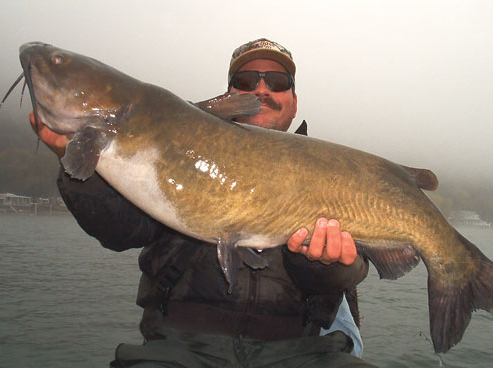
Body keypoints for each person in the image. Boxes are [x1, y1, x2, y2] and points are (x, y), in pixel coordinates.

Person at [30, 38, 376, 367]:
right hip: (179, 349)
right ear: (229, 94)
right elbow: (119, 230)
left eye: (277, 80)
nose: (261, 89)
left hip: (302, 351)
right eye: (246, 79)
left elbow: (354, 268)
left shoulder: (334, 177)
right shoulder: (170, 143)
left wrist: (325, 263)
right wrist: (83, 173)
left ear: (294, 101)